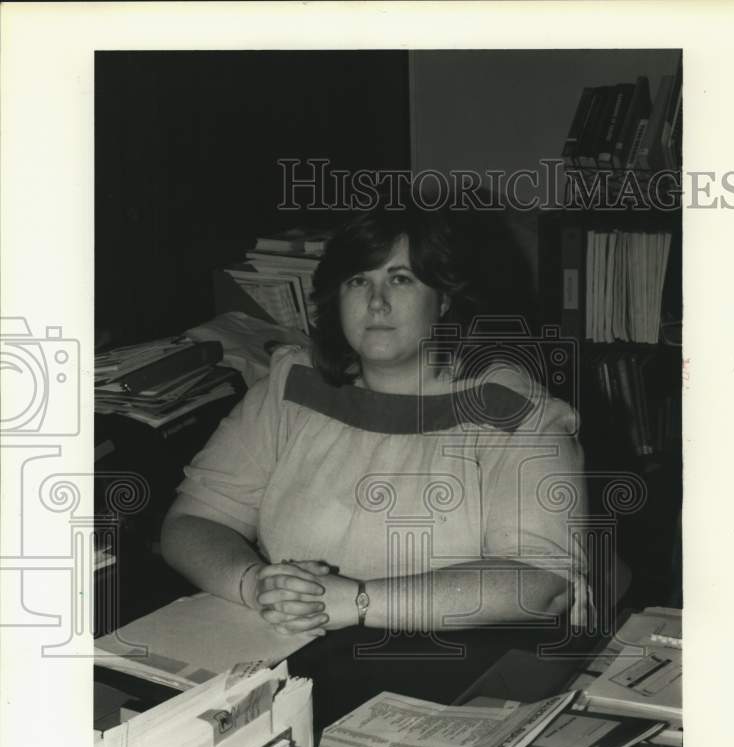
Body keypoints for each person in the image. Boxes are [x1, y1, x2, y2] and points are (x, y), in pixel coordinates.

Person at [161, 206, 591, 665]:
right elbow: (192, 522)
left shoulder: (514, 410)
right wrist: (253, 583)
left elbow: (545, 582)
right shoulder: (291, 386)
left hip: (456, 662)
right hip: (292, 646)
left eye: (401, 278)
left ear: (444, 297)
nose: (376, 302)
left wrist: (357, 601)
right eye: (358, 280)